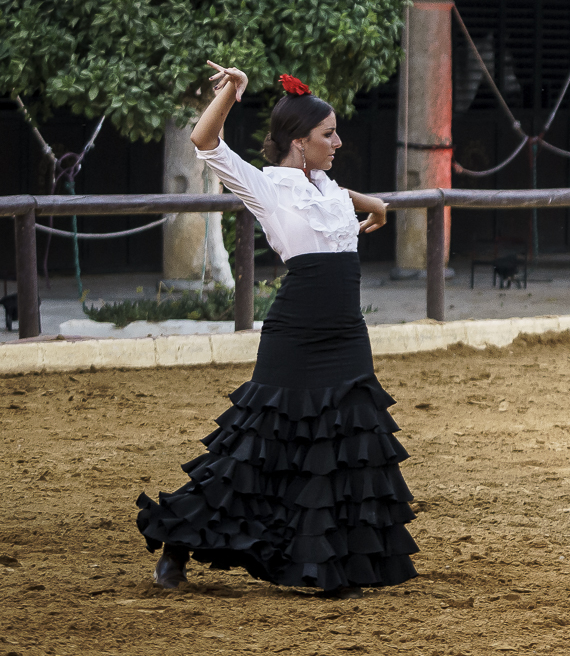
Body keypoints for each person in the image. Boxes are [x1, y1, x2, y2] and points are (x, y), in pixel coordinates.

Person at [135, 65, 418, 597]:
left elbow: (338, 196)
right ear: (298, 143)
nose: (338, 141)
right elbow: (205, 141)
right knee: (258, 443)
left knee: (346, 441)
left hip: (347, 333)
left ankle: (335, 566)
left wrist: (375, 204)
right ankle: (177, 540)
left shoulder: (327, 185)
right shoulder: (265, 188)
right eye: (327, 135)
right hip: (295, 332)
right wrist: (232, 95)